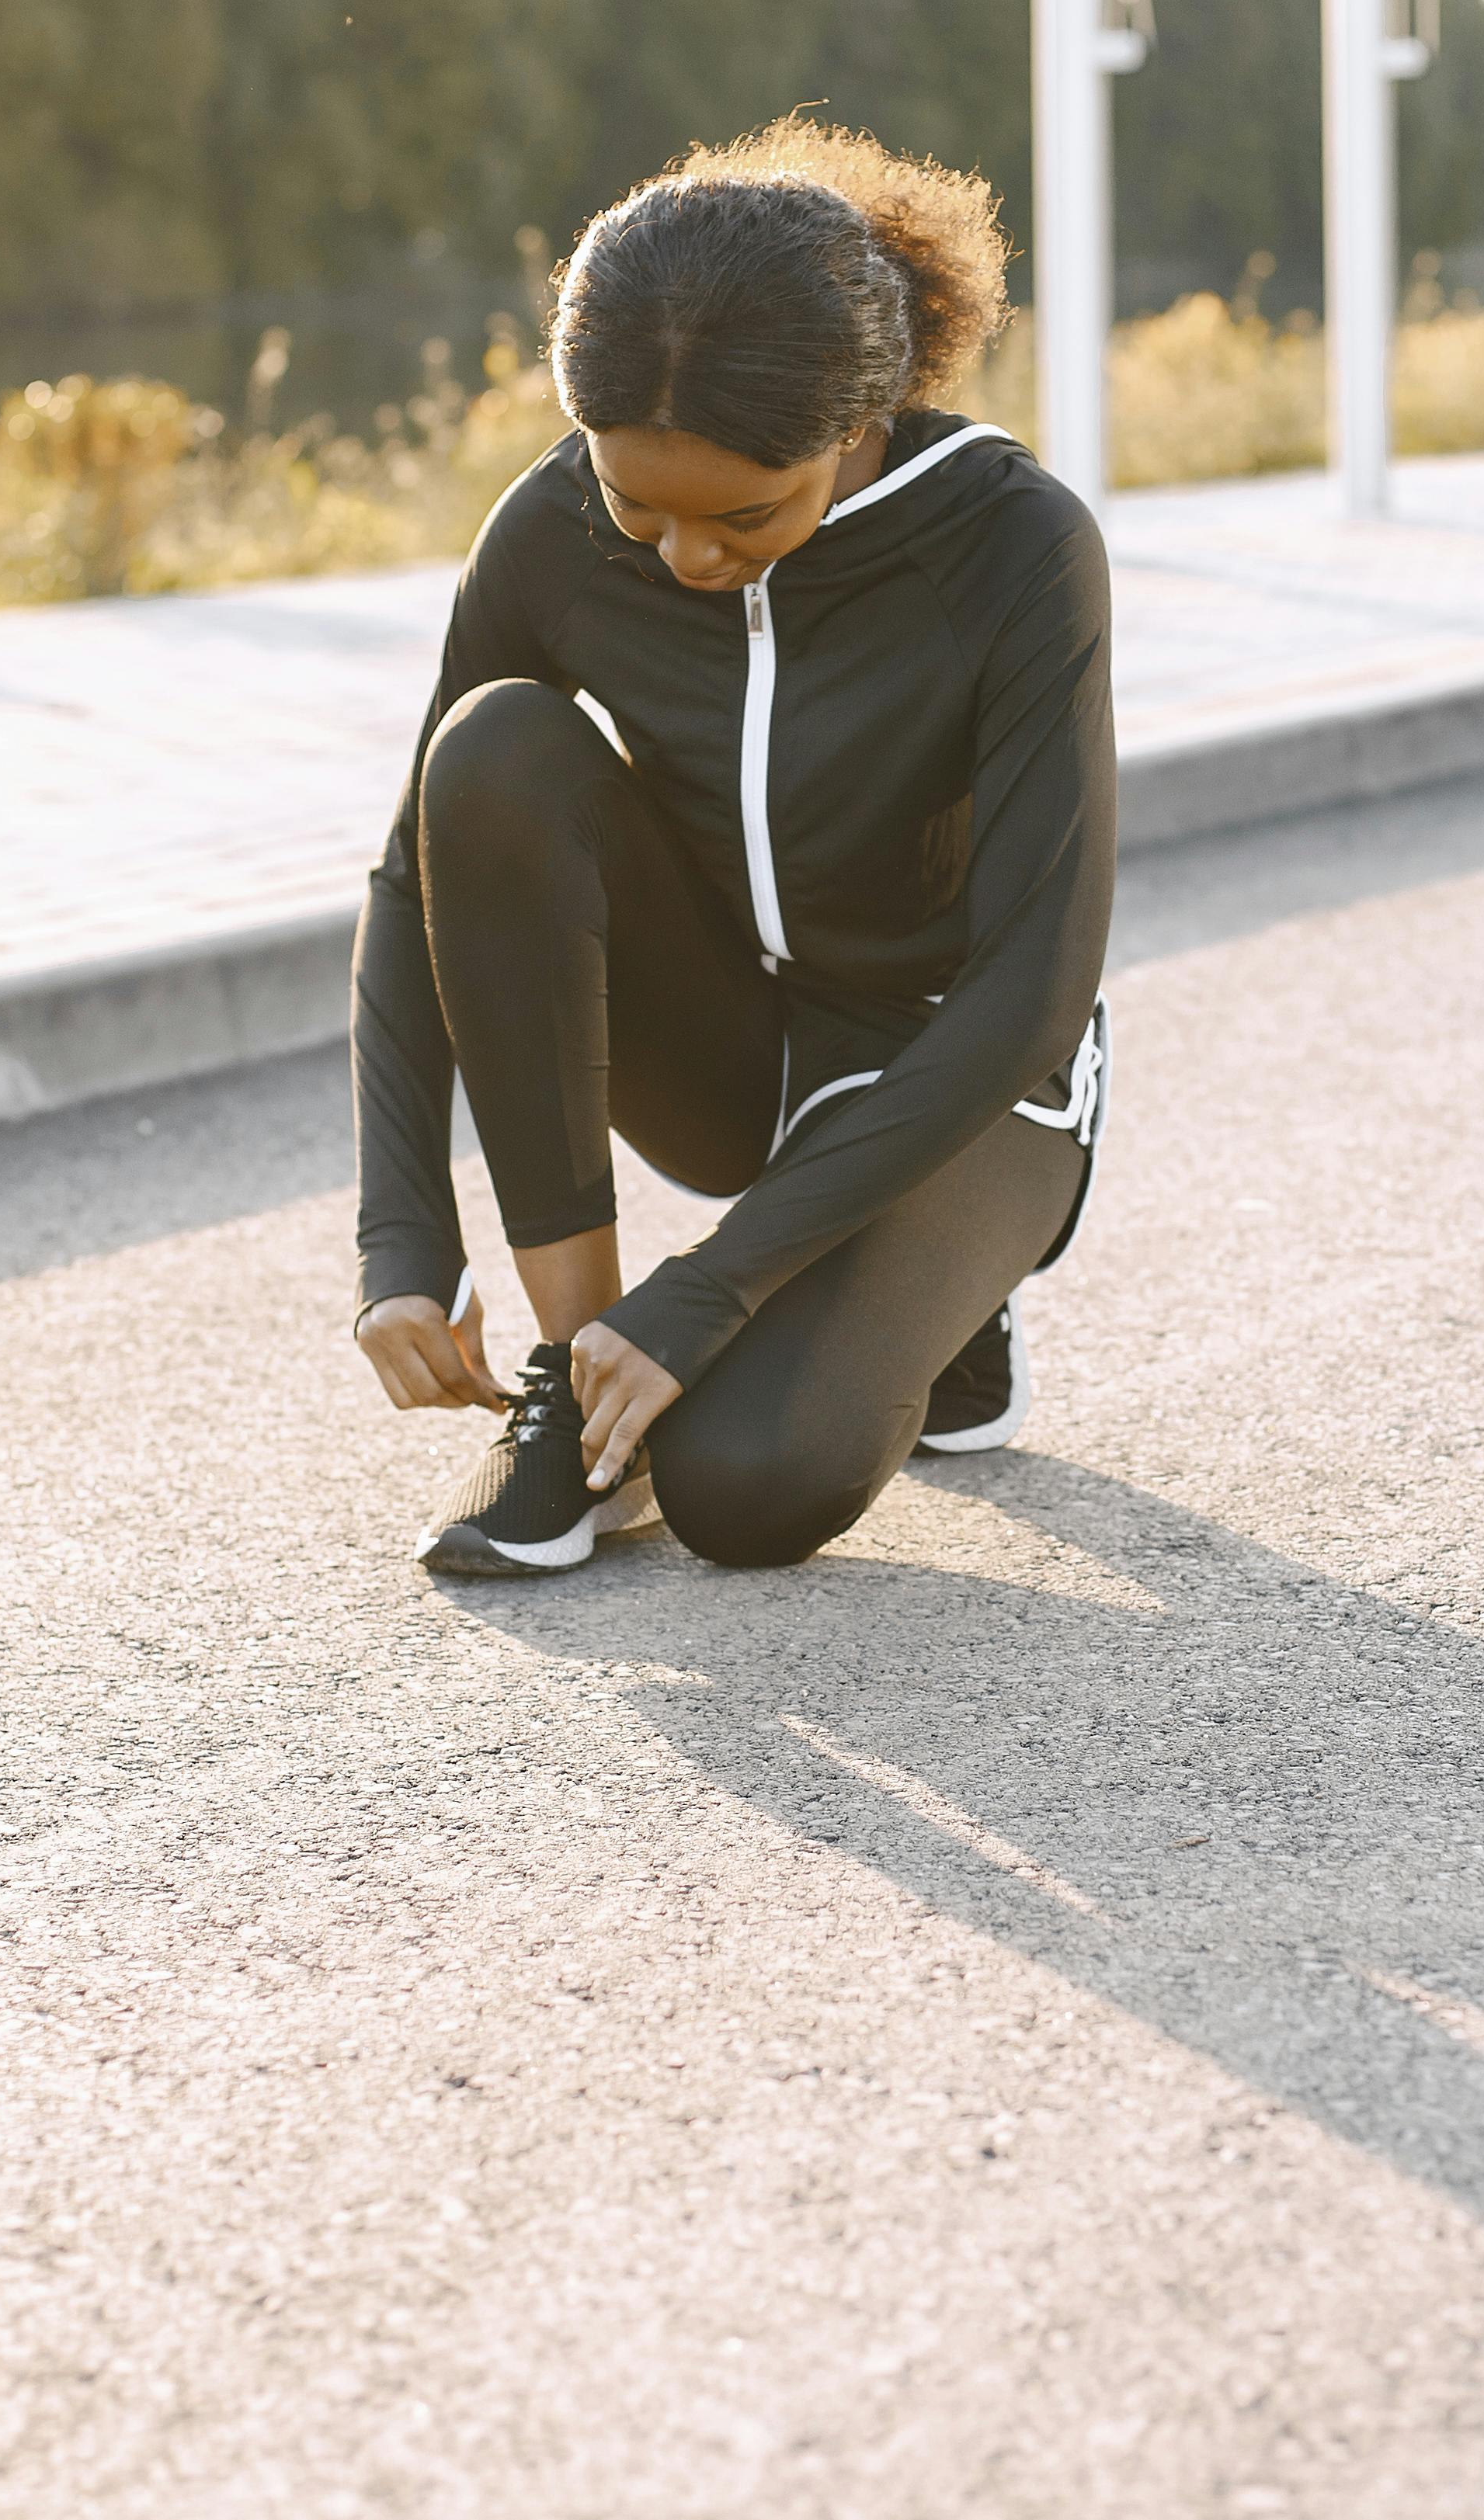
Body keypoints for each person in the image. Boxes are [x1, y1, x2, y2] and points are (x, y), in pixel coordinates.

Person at [348, 119, 1114, 1578]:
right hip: (727, 1052)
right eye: (639, 505)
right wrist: (401, 1237)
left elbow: (1038, 986)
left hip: (961, 1077)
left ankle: (947, 1298)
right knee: (493, 751)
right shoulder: (552, 531)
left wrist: (709, 1292)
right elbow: (418, 875)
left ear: (860, 415)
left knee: (750, 1486)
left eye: (747, 515)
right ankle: (574, 1399)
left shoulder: (1012, 547)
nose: (687, 557)